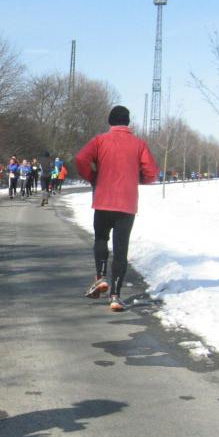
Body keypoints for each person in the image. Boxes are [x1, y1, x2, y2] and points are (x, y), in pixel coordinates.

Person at [74, 105, 158, 311]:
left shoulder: (100, 140)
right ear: (128, 123)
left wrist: (93, 177)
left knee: (101, 238)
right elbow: (151, 172)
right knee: (121, 249)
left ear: (110, 121)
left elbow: (80, 159)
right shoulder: (139, 144)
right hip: (127, 204)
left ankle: (101, 277)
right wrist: (137, 178)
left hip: (104, 199)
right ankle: (115, 296)